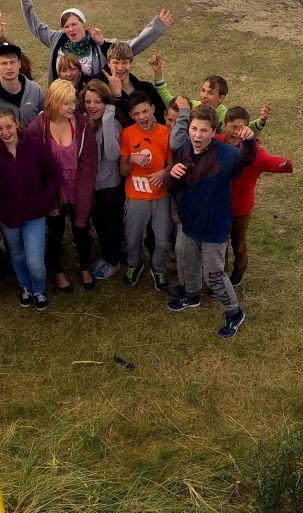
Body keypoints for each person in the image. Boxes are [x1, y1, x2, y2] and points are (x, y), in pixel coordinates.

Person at [165, 102, 257, 340]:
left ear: (213, 131)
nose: (198, 135)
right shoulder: (184, 149)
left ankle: (234, 313)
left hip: (214, 227)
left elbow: (245, 159)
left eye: (204, 130)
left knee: (214, 275)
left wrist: (248, 141)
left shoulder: (225, 154)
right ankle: (191, 296)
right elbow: (174, 186)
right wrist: (172, 174)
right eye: (194, 129)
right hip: (188, 222)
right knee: (188, 264)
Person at [20, 0, 171, 81]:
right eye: (66, 26)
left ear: (83, 24)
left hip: (92, 100)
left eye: (74, 24)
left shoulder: (97, 42)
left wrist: (156, 28)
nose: (70, 29)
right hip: (63, 99)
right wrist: (25, 1)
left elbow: (131, 47)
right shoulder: (57, 40)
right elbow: (37, 27)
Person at [0, 107, 60, 310]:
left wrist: (44, 202)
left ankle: (39, 289)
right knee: (17, 255)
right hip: (9, 218)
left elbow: (53, 176)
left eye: (8, 126)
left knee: (35, 261)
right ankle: (25, 287)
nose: (5, 132)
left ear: (17, 125)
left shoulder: (36, 147)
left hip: (35, 215)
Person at [26, 80, 98, 293]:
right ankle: (57, 271)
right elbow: (34, 167)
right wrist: (48, 199)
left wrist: (83, 200)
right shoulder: (39, 126)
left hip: (79, 188)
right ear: (54, 102)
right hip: (53, 190)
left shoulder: (83, 124)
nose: (72, 108)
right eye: (66, 104)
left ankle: (85, 267)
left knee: (82, 230)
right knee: (55, 234)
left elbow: (89, 163)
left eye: (73, 102)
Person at [219, 105, 292, 288]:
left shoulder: (253, 153)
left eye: (241, 127)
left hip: (240, 210)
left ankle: (239, 270)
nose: (236, 132)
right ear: (224, 126)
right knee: (220, 245)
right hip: (218, 208)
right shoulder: (215, 144)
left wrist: (283, 164)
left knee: (238, 244)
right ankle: (220, 273)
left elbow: (271, 161)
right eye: (233, 126)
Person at [119, 91, 174, 292]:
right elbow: (123, 170)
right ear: (132, 115)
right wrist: (131, 159)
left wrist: (164, 173)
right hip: (136, 197)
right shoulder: (127, 133)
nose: (142, 117)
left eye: (145, 111)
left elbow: (173, 164)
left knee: (162, 240)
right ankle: (135, 264)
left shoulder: (165, 133)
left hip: (160, 197)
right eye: (136, 114)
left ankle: (158, 268)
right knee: (132, 238)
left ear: (152, 109)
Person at [81, 80, 125, 281]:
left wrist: (108, 116)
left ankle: (114, 261)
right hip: (92, 185)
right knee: (99, 224)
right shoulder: (86, 121)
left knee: (111, 225)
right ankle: (106, 256)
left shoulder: (112, 123)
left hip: (109, 186)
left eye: (97, 102)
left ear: (106, 103)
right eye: (88, 101)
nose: (92, 106)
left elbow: (112, 153)